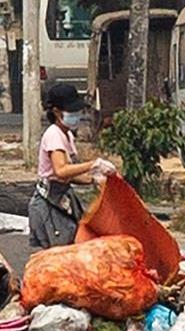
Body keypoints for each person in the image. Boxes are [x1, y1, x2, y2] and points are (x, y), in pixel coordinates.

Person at [28, 84, 116, 249]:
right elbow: (61, 171)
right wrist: (93, 164)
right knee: (60, 257)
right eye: (71, 111)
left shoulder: (67, 134)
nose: (76, 115)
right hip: (49, 204)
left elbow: (71, 173)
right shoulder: (54, 134)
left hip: (62, 197)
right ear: (56, 112)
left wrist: (94, 180)